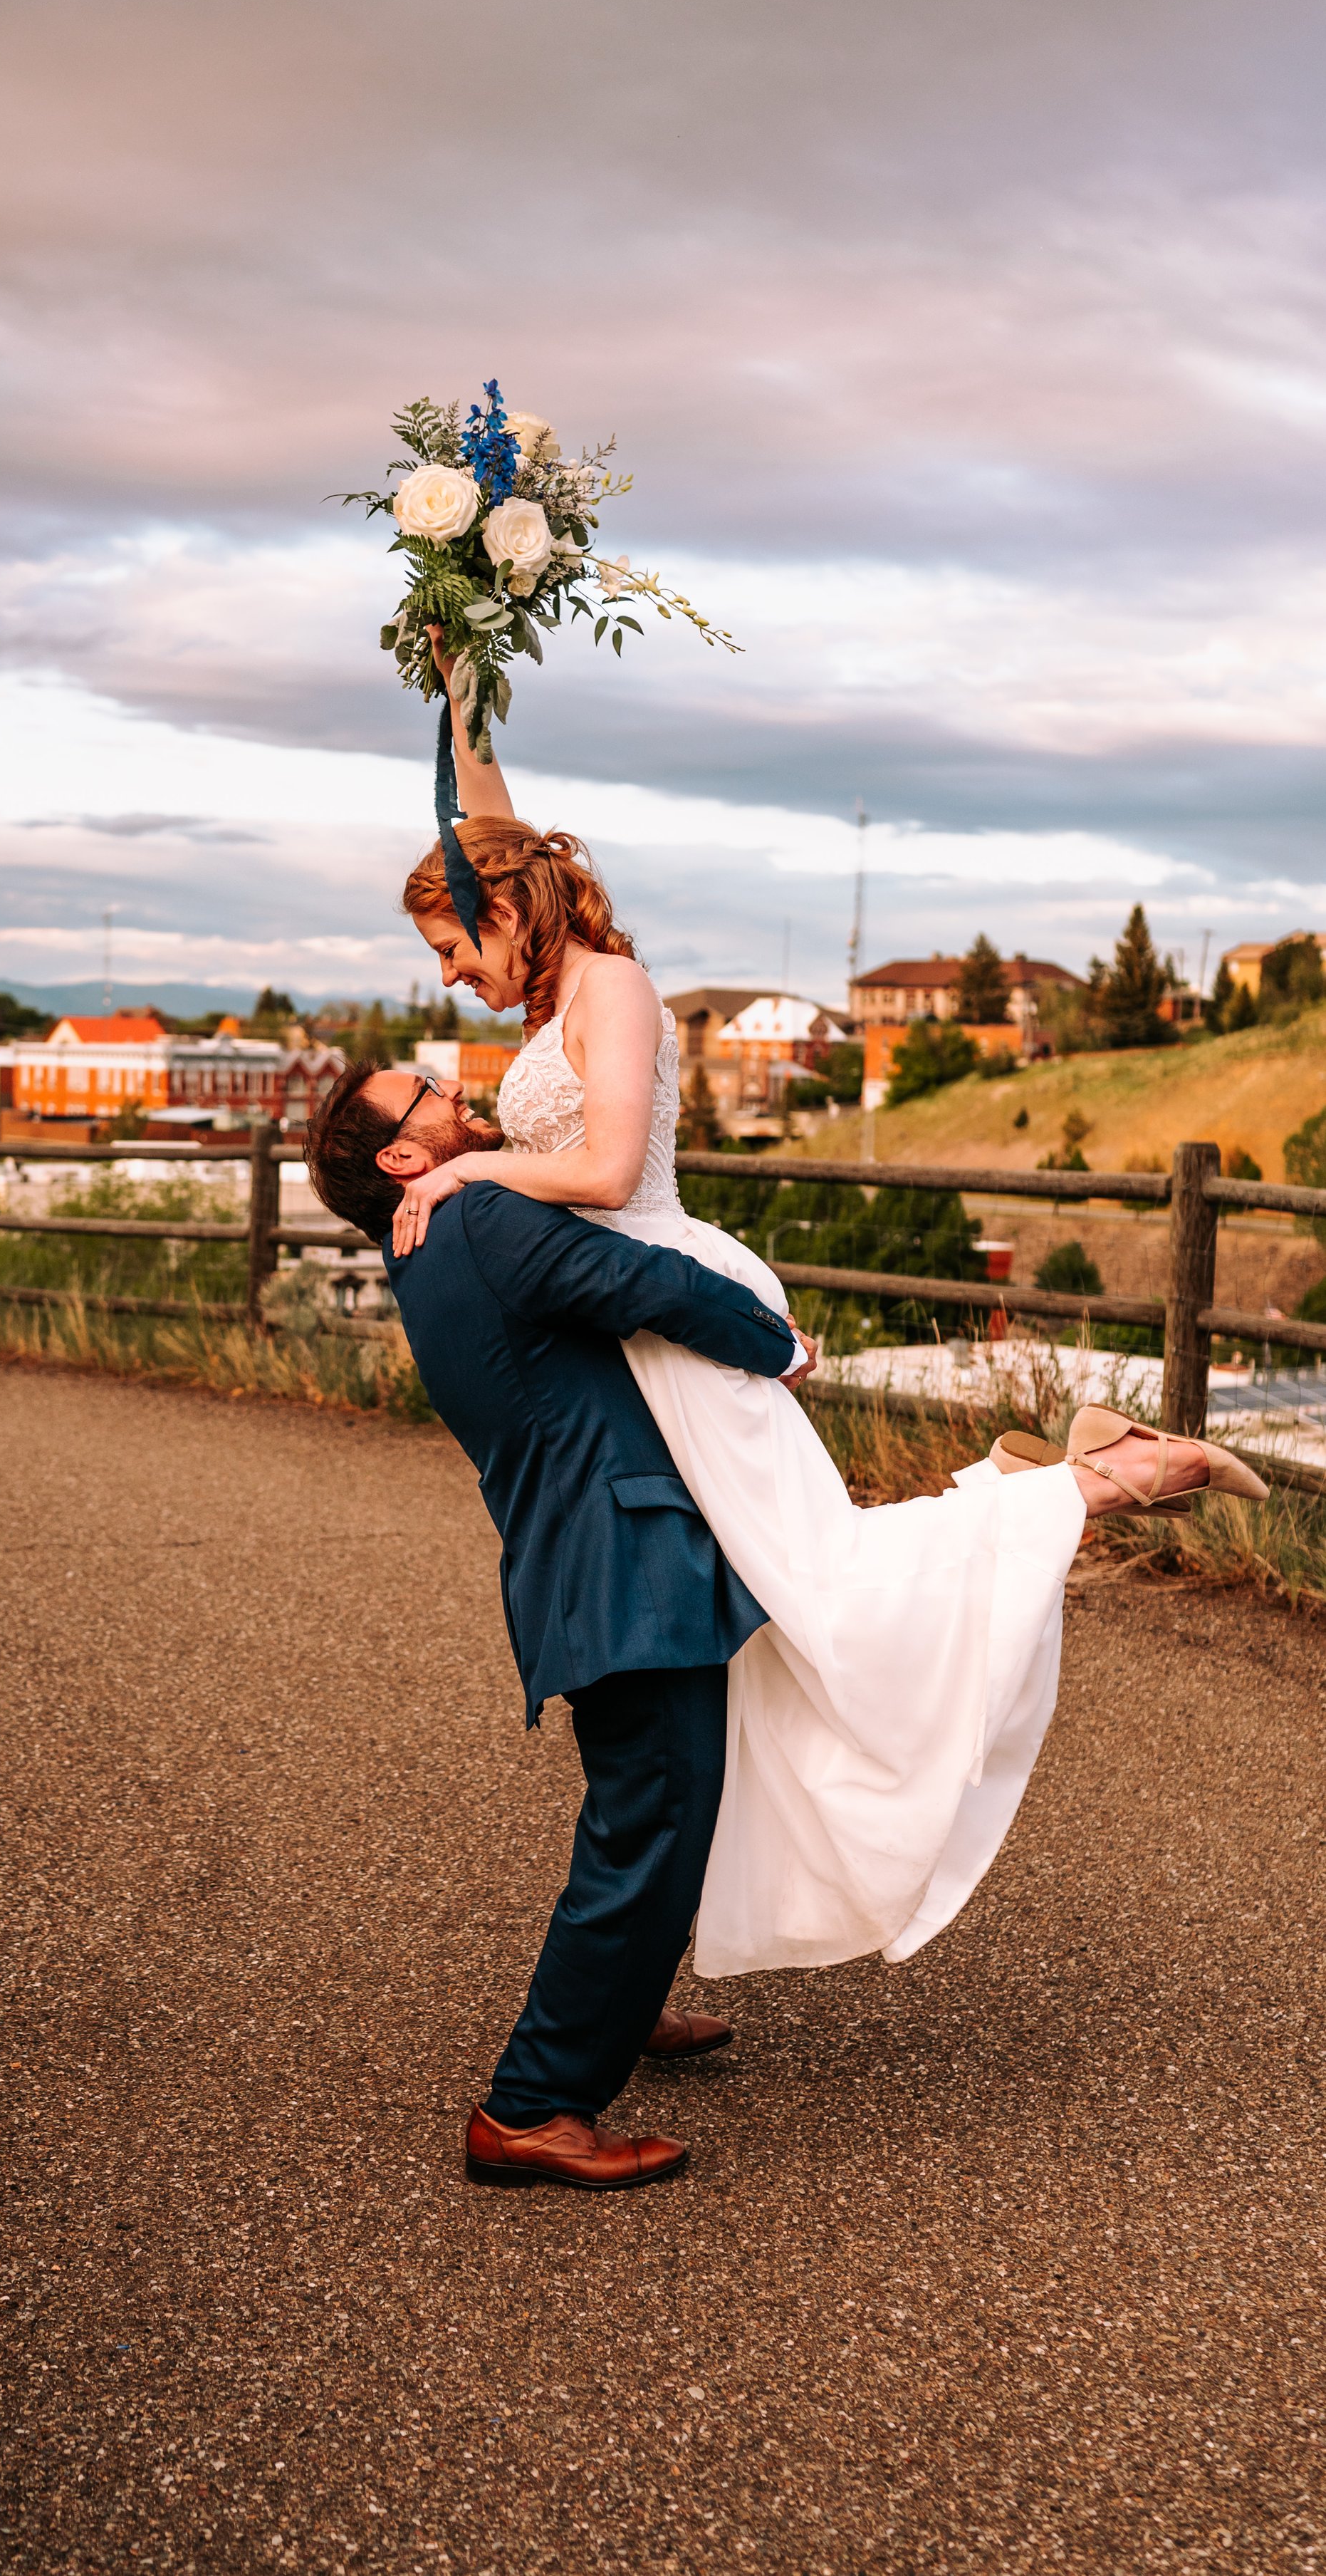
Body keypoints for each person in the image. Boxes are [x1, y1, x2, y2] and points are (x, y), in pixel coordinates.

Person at [337, 634, 1268, 1997]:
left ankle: (1095, 1481)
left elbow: (599, 1175)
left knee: (816, 1595)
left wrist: (472, 1163)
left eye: (446, 942)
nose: (445, 976)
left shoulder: (617, 989)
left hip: (676, 1313)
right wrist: (465, 683)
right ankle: (644, 1967)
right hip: (636, 1339)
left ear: (507, 912)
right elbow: (490, 826)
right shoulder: (560, 984)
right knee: (758, 1633)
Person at [306, 1060, 810, 2189]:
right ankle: (534, 2104)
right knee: (653, 1815)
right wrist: (776, 1343)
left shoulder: (424, 1239)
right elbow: (636, 1281)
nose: (452, 1088)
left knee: (665, 1801)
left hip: (590, 1556)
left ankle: (615, 2009)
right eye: (428, 1090)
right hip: (619, 1562)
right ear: (400, 1156)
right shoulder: (477, 1214)